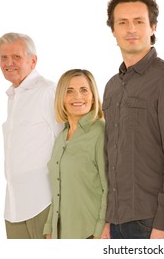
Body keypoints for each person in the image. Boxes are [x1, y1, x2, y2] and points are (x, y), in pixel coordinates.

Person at [102, 0, 164, 239]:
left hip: (149, 221)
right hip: (116, 220)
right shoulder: (111, 86)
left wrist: (161, 224)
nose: (131, 29)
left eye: (139, 21)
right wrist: (108, 219)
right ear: (113, 31)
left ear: (152, 27)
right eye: (122, 22)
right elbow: (110, 156)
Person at [0, 32, 63, 239]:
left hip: (43, 203)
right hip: (14, 205)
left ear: (32, 60)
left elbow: (67, 144)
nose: (9, 63)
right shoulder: (13, 96)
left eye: (16, 57)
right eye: (4, 57)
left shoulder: (47, 91)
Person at [43, 69, 108, 239]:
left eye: (84, 90)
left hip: (88, 234)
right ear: (61, 98)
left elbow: (109, 189)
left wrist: (99, 232)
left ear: (93, 96)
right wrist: (50, 228)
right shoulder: (61, 137)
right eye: (69, 91)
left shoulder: (100, 133)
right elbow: (57, 189)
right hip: (61, 235)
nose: (77, 97)